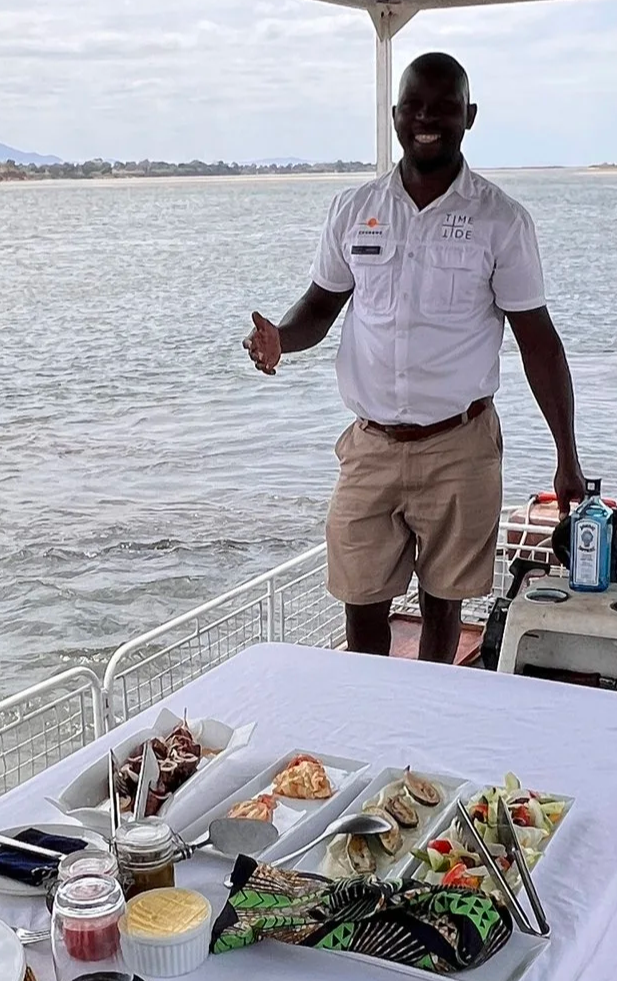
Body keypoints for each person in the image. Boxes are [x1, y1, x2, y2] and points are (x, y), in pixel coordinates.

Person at [244, 51, 585, 663]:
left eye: (445, 107)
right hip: (370, 444)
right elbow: (320, 308)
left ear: (469, 116)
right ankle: (373, 722)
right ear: (396, 115)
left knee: (443, 603)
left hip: (460, 444)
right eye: (415, 107)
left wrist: (568, 459)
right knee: (361, 600)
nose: (428, 118)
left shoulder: (500, 220)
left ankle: (428, 717)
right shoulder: (354, 210)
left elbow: (539, 343)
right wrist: (281, 340)